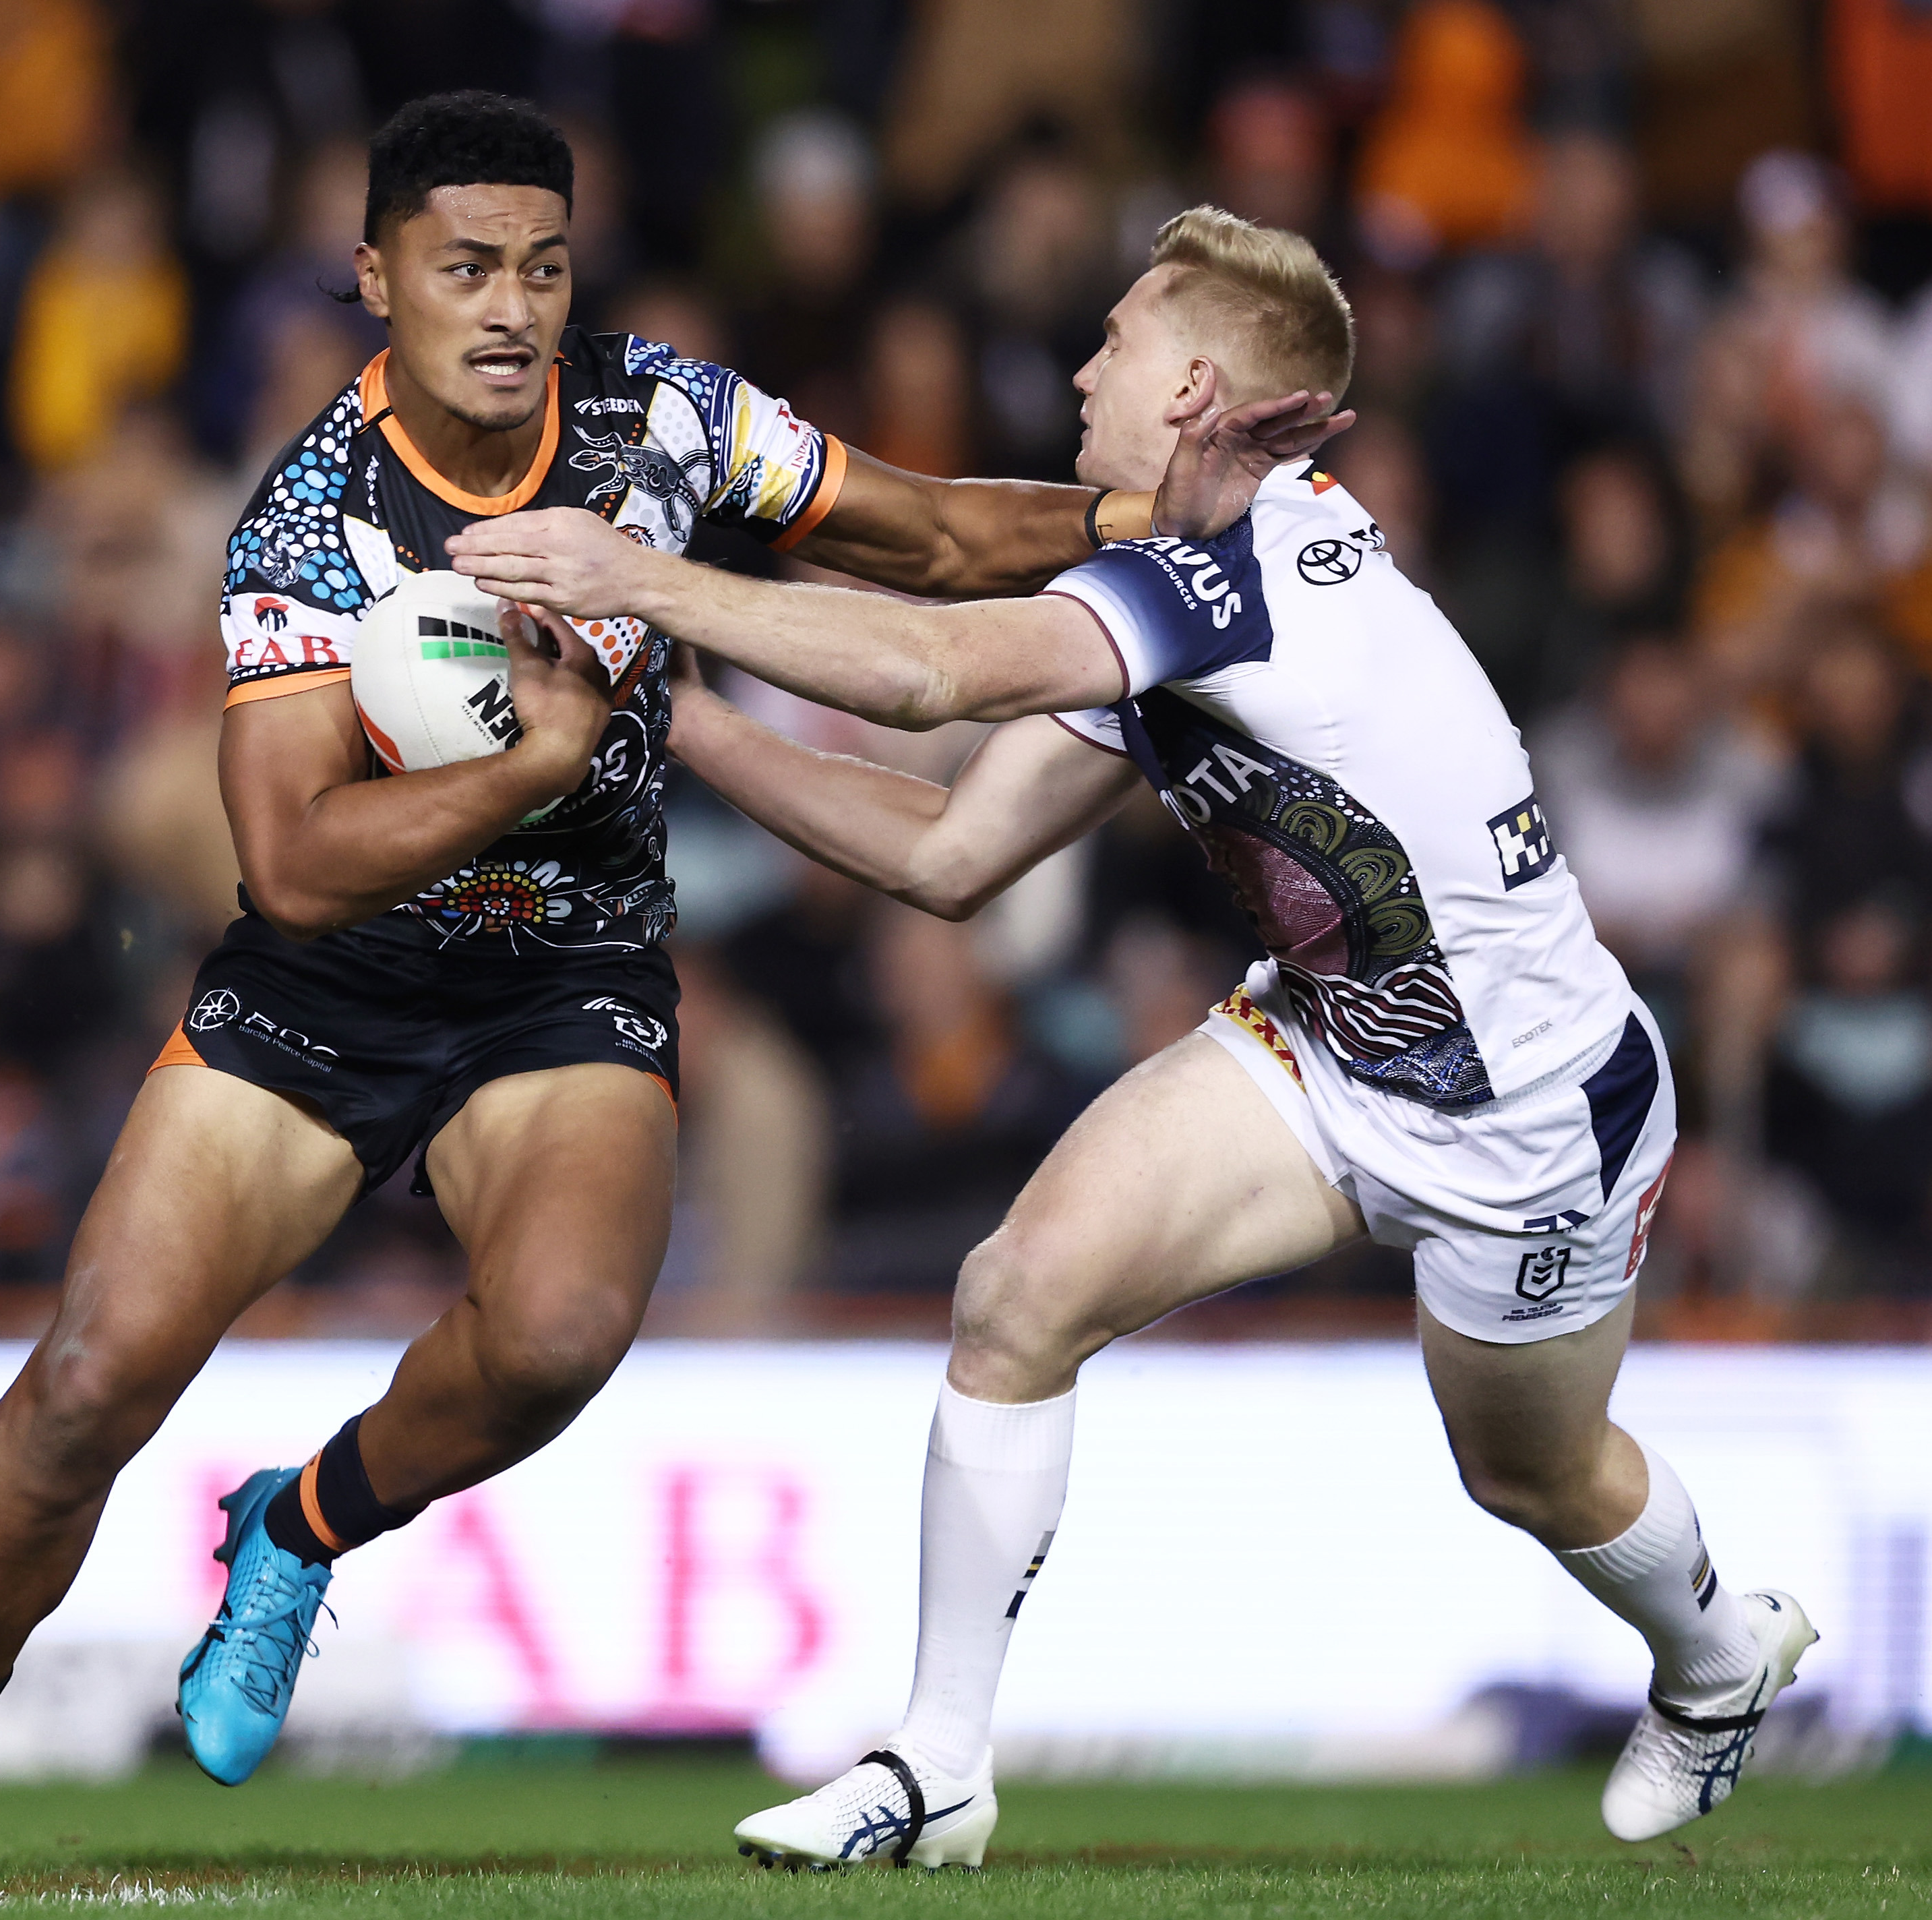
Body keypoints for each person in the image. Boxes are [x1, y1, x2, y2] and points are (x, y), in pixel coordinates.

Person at [0, 92, 1342, 1886]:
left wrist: (1171, 512)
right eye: (464, 267)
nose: (510, 306)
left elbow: (938, 541)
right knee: (91, 1383)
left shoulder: (668, 419)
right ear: (374, 278)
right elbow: (286, 861)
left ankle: (298, 1525)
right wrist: (535, 760)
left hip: (566, 973)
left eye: (542, 267)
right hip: (331, 981)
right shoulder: (308, 524)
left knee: (565, 1335)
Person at [451, 204, 1816, 1867]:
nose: (1082, 365)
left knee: (1530, 1474)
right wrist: (656, 705)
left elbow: (932, 670)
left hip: (1528, 1112)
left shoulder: (1246, 581)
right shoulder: (1160, 590)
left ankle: (1720, 1655)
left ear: (1192, 389)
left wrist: (643, 582)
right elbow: (947, 856)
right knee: (1016, 1293)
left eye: (1116, 338)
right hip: (1326, 1047)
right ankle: (939, 1763)